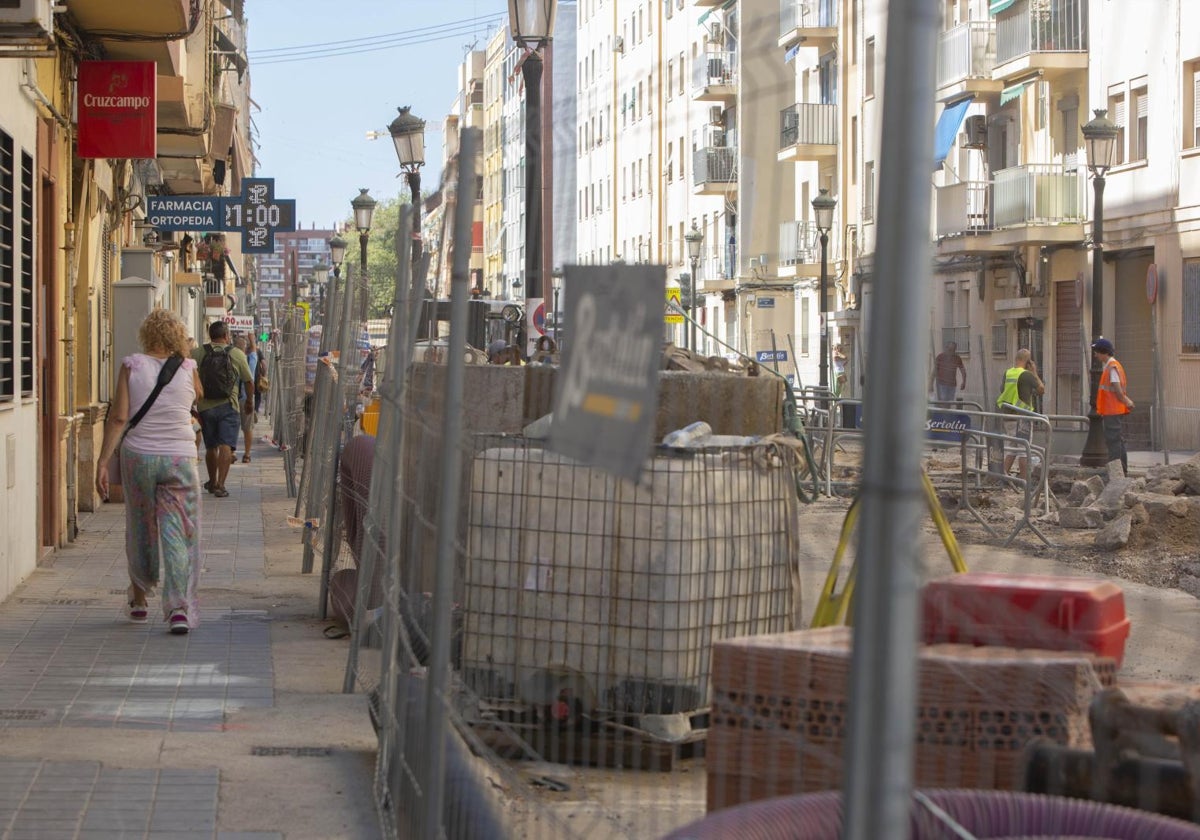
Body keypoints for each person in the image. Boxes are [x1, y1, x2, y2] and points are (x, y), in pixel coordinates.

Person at [95, 309, 202, 634]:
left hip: (139, 456)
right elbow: (198, 396)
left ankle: (140, 600)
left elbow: (118, 418)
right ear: (177, 336)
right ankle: (178, 609)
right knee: (178, 530)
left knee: (140, 524)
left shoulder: (131, 366)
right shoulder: (188, 367)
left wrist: (102, 461)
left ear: (146, 335)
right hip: (180, 459)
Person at [192, 321, 254, 497]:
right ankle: (220, 484)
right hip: (229, 405)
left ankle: (211, 481)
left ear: (210, 335)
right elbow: (249, 381)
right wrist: (249, 402)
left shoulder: (197, 353)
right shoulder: (237, 354)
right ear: (227, 336)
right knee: (226, 444)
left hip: (205, 406)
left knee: (211, 446)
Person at [995, 347, 1045, 479]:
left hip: (1008, 416)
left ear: (1016, 359)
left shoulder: (1008, 373)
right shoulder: (1027, 375)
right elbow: (1041, 389)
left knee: (1012, 447)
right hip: (1022, 418)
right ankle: (1024, 481)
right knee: (1024, 450)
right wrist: (1034, 372)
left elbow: (1002, 390)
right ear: (1028, 362)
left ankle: (1002, 475)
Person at [1092, 337, 1134, 476]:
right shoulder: (1112, 366)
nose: (1095, 355)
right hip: (1113, 410)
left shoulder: (1112, 367)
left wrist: (1126, 400)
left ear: (1103, 352)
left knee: (1113, 442)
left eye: (1096, 352)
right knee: (1117, 441)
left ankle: (1116, 473)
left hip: (1112, 411)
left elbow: (1117, 389)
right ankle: (1122, 471)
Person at [240, 333, 258, 463]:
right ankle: (246, 454)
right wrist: (252, 340)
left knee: (232, 428)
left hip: (233, 399)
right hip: (248, 398)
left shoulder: (230, 357)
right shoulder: (250, 360)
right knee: (248, 428)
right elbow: (254, 352)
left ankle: (231, 451)